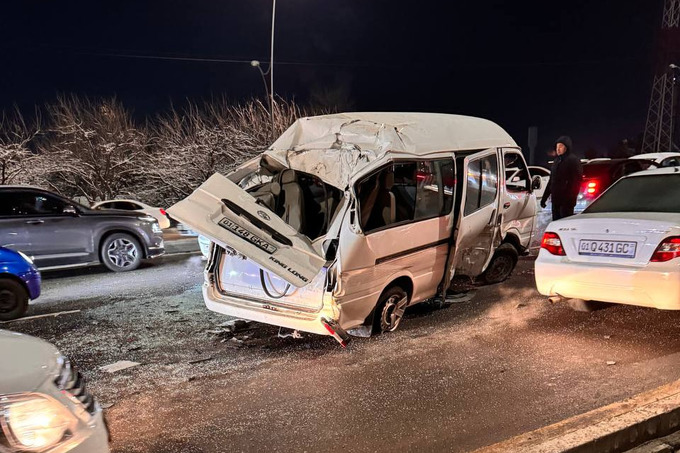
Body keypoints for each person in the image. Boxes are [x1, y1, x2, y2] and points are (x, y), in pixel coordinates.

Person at [540, 136, 583, 220]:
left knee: (565, 224)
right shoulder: (556, 161)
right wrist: (544, 198)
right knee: (556, 223)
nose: (558, 149)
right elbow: (551, 181)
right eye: (557, 147)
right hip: (556, 200)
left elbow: (576, 181)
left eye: (560, 146)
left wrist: (571, 199)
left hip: (566, 202)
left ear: (566, 147)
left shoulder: (573, 160)